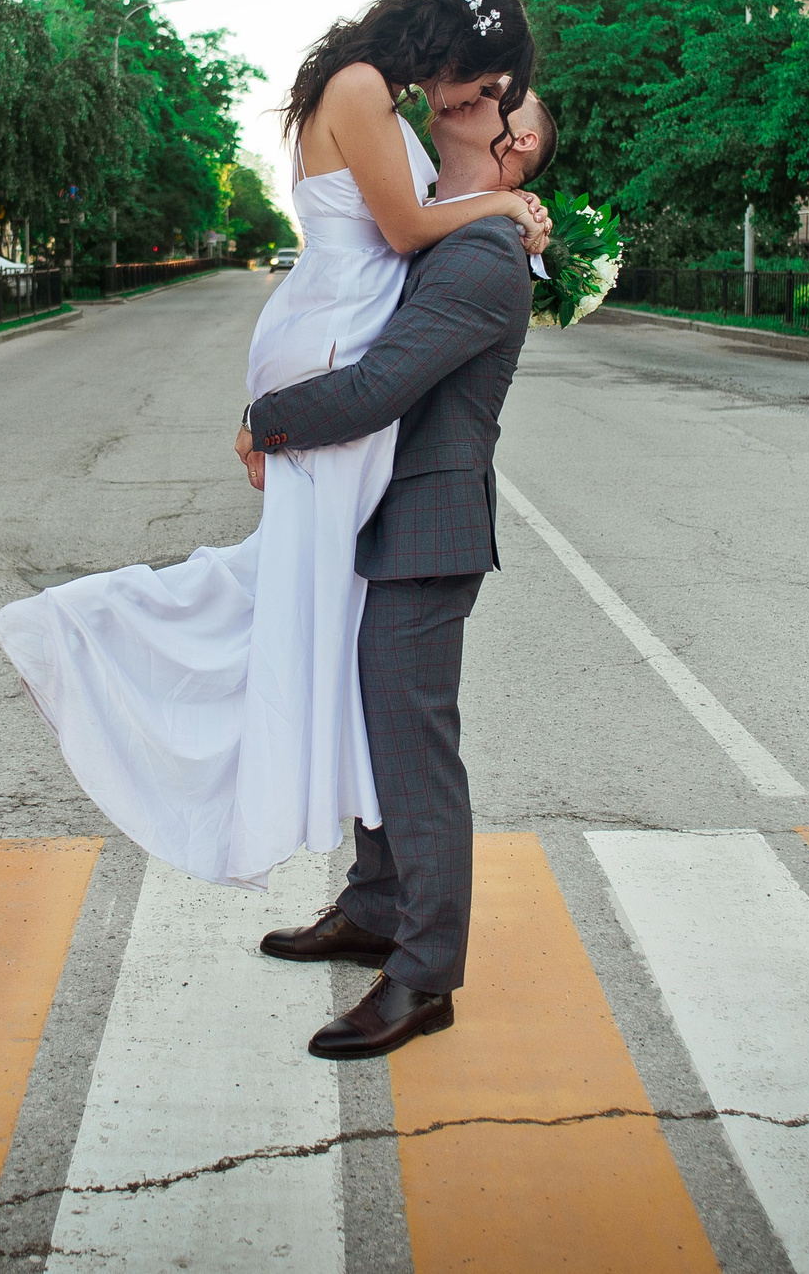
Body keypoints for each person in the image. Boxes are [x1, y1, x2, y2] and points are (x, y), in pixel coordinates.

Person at [0, 0, 548, 904]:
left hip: (332, 337)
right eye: (481, 79)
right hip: (329, 338)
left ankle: (369, 892)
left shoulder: (379, 91)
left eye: (492, 97)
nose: (473, 99)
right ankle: (95, 635)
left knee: (307, 610)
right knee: (305, 609)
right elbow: (407, 227)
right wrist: (502, 203)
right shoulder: (366, 88)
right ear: (450, 47)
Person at [243, 85, 555, 1060]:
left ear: (519, 144)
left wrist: (267, 420)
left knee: (414, 753)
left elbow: (379, 387)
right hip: (377, 515)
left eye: (506, 97)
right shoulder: (437, 229)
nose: (479, 89)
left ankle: (423, 973)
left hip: (426, 526)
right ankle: (375, 904)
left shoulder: (483, 257)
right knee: (371, 728)